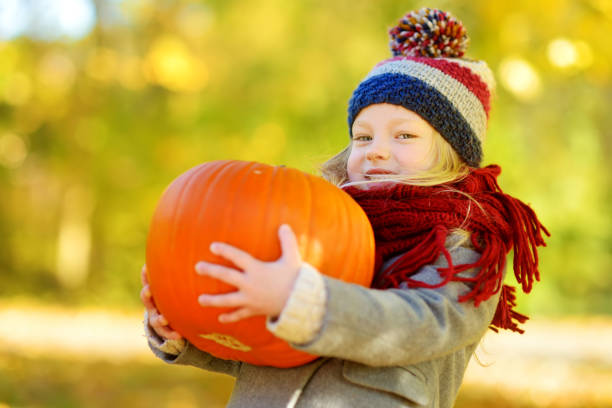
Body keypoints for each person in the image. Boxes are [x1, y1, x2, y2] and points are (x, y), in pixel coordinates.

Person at [141, 8, 549, 408]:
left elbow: (423, 324)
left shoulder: (465, 240)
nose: (376, 151)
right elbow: (264, 345)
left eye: (404, 135)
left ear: (453, 154)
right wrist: (185, 334)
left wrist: (302, 300)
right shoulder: (320, 227)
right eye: (363, 137)